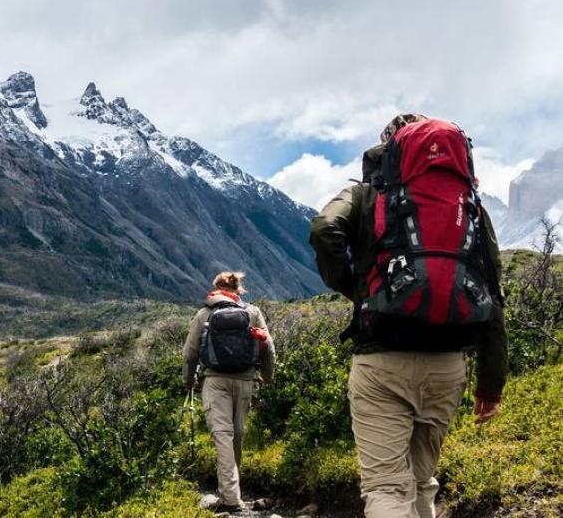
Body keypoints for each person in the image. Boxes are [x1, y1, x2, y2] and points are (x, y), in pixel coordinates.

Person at [309, 114, 508, 518]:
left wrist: (355, 288)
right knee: (422, 481)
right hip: (448, 367)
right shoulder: (469, 206)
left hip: (382, 361)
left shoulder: (368, 195)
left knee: (386, 487)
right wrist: (490, 386)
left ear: (390, 150)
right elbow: (492, 294)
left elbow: (324, 229)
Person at [182, 271, 275, 514]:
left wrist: (189, 380)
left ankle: (231, 499)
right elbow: (268, 346)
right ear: (238, 289)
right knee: (237, 435)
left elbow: (190, 353)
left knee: (222, 435)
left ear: (216, 288)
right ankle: (232, 493)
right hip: (245, 381)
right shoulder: (252, 312)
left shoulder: (204, 313)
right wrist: (267, 376)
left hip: (214, 381)